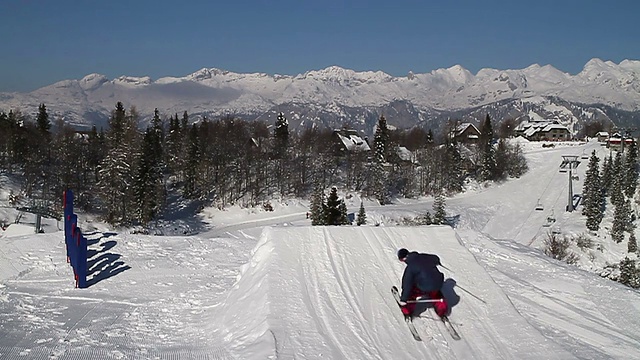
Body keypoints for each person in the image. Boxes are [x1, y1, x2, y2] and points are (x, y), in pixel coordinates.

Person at [397, 248, 448, 318]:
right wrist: (437, 262)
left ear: (402, 259)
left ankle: (407, 310)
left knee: (412, 292)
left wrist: (404, 299)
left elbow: (407, 285)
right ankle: (442, 308)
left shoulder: (410, 268)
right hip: (438, 283)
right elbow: (435, 258)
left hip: (424, 286)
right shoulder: (423, 256)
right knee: (436, 293)